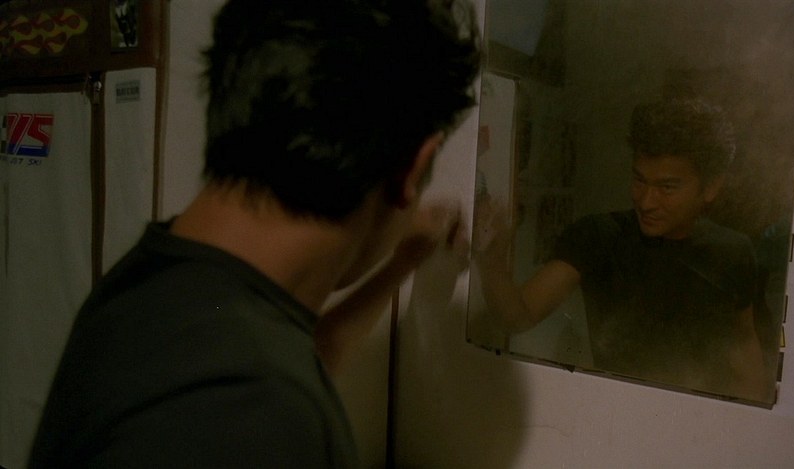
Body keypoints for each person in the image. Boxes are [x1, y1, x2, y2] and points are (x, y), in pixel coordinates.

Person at [28, 0, 480, 466]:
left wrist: (401, 262)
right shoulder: (250, 408)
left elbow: (302, 354)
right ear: (414, 170)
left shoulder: (160, 283)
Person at [475, 98, 772, 403]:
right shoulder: (599, 236)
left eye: (667, 188)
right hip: (616, 408)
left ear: (710, 188)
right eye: (639, 180)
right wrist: (492, 260)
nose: (646, 201)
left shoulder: (733, 251)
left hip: (699, 413)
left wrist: (752, 413)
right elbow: (518, 316)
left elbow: (742, 341)